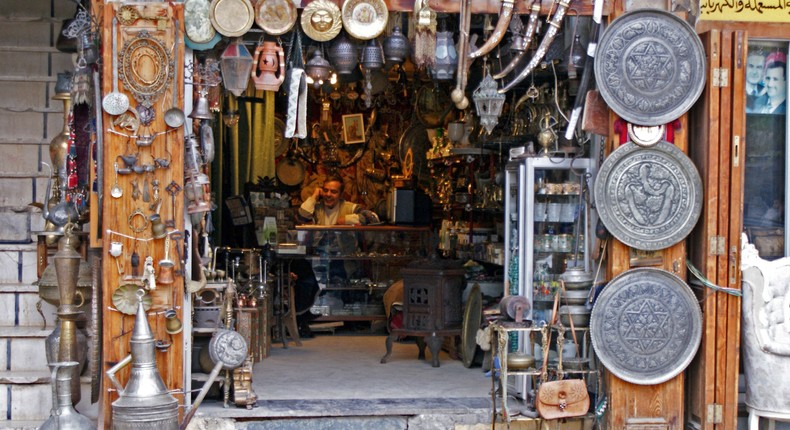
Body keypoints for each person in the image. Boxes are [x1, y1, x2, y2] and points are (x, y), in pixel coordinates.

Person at [291, 175, 378, 337]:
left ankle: (349, 320)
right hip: (319, 259)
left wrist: (347, 219)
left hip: (344, 260)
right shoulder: (315, 207)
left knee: (342, 285)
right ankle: (304, 318)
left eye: (333, 191)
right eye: (325, 190)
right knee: (308, 281)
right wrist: (314, 196)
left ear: (341, 194)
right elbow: (302, 216)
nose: (328, 194)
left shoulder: (350, 207)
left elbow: (372, 217)